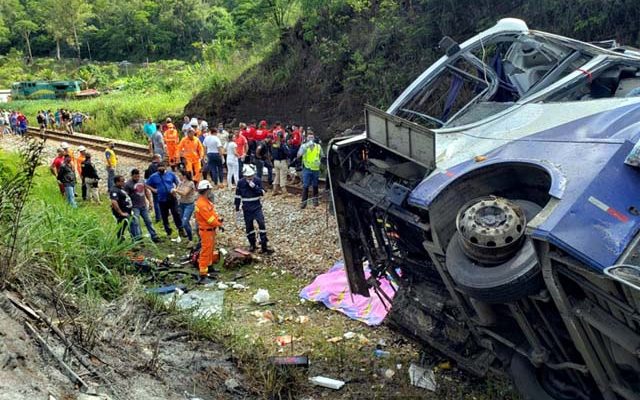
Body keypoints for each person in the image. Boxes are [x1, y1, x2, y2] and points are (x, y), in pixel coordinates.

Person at [234, 165, 273, 253]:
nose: (250, 178)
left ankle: (264, 245)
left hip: (256, 207)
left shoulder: (257, 180)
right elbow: (237, 195)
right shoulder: (240, 183)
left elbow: (262, 192)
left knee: (261, 224)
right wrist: (237, 207)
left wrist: (254, 187)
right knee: (249, 227)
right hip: (247, 209)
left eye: (251, 176)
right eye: (248, 177)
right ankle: (252, 244)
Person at [194, 180, 223, 284]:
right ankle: (203, 274)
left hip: (210, 230)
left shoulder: (205, 201)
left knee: (210, 249)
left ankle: (209, 267)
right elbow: (209, 219)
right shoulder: (202, 204)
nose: (210, 191)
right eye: (209, 190)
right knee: (205, 251)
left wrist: (218, 219)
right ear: (206, 190)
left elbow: (213, 214)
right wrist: (219, 224)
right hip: (206, 230)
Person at [145, 161, 184, 238]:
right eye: (159, 168)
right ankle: (168, 230)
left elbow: (178, 182)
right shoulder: (154, 176)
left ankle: (180, 229)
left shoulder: (171, 174)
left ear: (165, 167)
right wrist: (153, 190)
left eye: (162, 167)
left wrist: (175, 189)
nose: (161, 169)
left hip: (172, 197)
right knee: (164, 215)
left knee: (176, 213)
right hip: (161, 199)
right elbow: (146, 184)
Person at [125, 169, 160, 243]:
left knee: (148, 221)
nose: (137, 178)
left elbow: (146, 191)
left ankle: (154, 236)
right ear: (132, 176)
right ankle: (139, 238)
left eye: (138, 176)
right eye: (135, 177)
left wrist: (150, 202)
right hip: (134, 207)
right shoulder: (128, 184)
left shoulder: (142, 181)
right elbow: (126, 197)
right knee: (136, 223)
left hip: (143, 205)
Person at [297, 131, 324, 208]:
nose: (311, 139)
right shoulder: (304, 146)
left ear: (314, 138)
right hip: (307, 168)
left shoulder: (318, 146)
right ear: (306, 138)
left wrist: (320, 163)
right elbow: (298, 155)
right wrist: (305, 147)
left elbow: (322, 156)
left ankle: (315, 201)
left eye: (312, 137)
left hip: (316, 169)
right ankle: (304, 202)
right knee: (305, 185)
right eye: (309, 137)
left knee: (315, 185)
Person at [174, 170, 197, 244]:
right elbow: (177, 191)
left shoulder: (190, 183)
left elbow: (184, 193)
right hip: (181, 204)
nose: (179, 177)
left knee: (184, 222)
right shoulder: (181, 183)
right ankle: (190, 237)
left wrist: (175, 190)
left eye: (180, 175)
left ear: (184, 176)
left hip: (189, 205)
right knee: (185, 222)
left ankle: (190, 239)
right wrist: (174, 191)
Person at [110, 175, 134, 241]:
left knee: (124, 226)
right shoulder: (114, 190)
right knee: (125, 226)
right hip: (122, 212)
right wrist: (121, 212)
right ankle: (121, 239)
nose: (124, 182)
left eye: (124, 181)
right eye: (122, 181)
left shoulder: (121, 188)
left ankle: (121, 238)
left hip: (127, 210)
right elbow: (114, 202)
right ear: (117, 182)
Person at [271, 126, 289, 195]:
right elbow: (287, 153)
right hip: (282, 162)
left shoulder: (273, 144)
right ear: (282, 137)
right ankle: (284, 191)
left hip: (275, 162)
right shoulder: (283, 145)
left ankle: (274, 190)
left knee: (277, 176)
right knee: (283, 176)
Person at [145, 154, 163, 223]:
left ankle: (159, 217)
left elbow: (147, 177)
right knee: (157, 202)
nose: (161, 159)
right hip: (158, 187)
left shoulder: (150, 166)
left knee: (156, 201)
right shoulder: (157, 166)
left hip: (154, 187)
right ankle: (159, 217)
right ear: (156, 158)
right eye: (160, 158)